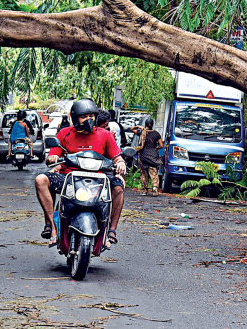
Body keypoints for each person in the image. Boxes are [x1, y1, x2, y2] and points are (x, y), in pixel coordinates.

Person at [35, 99, 127, 247]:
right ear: (75, 118)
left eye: (91, 116)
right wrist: (52, 159)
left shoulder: (105, 135)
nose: (88, 119)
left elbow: (117, 157)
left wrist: (120, 163)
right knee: (41, 179)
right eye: (84, 116)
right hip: (68, 178)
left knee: (118, 187)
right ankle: (52, 226)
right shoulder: (64, 133)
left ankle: (111, 231)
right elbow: (52, 157)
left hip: (99, 179)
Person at [135, 118, 163, 195]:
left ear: (145, 124)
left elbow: (132, 129)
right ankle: (155, 188)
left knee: (143, 173)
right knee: (154, 172)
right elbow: (161, 145)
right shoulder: (156, 134)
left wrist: (138, 126)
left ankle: (144, 190)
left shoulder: (141, 132)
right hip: (153, 155)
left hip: (143, 155)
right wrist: (155, 148)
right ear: (152, 124)